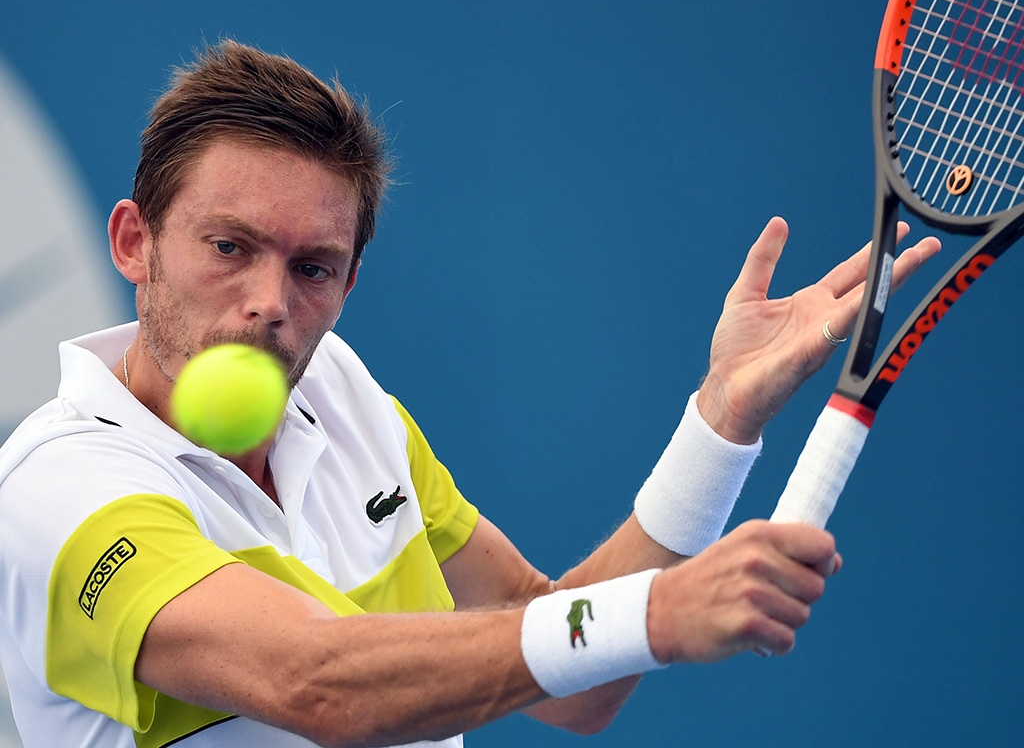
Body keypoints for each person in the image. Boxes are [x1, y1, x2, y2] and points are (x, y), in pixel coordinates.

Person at [0, 40, 940, 748]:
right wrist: (655, 613)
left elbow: (574, 682)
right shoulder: (60, 489)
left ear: (350, 284)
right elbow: (315, 681)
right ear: (134, 242)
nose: (269, 305)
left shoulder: (343, 393)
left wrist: (720, 420)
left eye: (315, 267)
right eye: (228, 246)